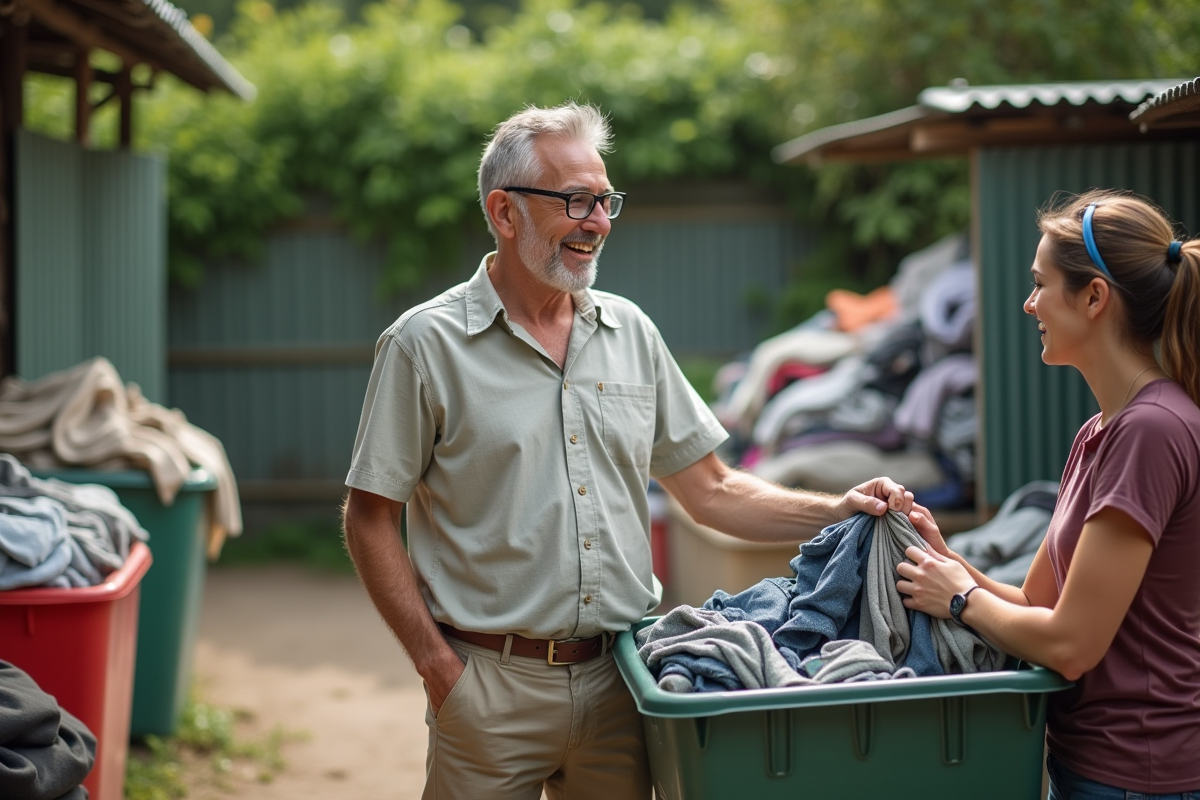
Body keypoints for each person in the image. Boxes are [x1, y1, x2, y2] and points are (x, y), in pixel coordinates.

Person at [340, 101, 914, 800]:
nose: (599, 222)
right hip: (487, 687)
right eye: (575, 201)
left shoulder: (631, 332)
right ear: (504, 211)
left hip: (624, 680)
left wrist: (838, 510)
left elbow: (713, 490)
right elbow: (369, 515)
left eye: (605, 200)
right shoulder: (423, 345)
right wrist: (436, 666)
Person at [895, 189, 1200, 799]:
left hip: (1141, 777)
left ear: (1094, 297)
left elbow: (1070, 645)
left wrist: (959, 600)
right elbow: (1036, 605)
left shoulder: (1151, 430)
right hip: (1094, 767)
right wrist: (945, 562)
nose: (1028, 303)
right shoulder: (1101, 431)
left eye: (1040, 284)